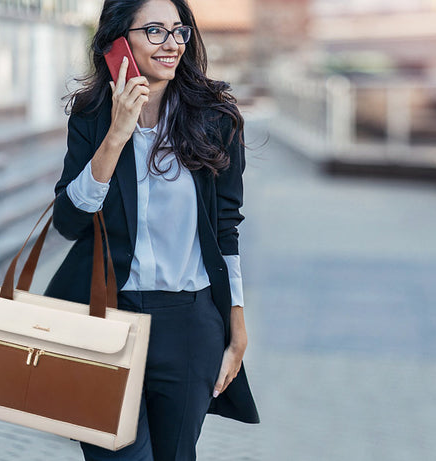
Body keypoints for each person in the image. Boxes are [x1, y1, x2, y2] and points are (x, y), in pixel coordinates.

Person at [44, 0, 259, 459]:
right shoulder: (92, 118)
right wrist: (117, 134)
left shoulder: (214, 119)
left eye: (179, 31)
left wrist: (236, 325)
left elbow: (226, 230)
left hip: (189, 324)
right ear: (119, 39)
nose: (171, 44)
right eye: (155, 31)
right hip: (104, 318)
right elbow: (68, 222)